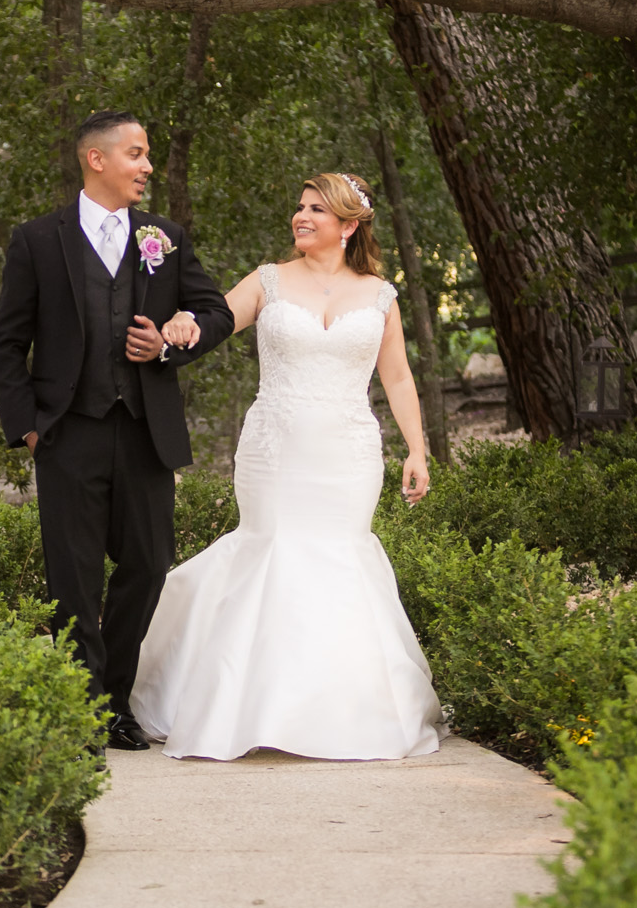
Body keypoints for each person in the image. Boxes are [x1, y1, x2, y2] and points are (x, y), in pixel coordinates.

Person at [130, 173, 444, 761]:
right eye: (299, 207)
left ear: (349, 226)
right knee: (271, 546)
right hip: (274, 447)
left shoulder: (380, 296)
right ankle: (244, 706)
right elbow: (213, 321)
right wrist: (177, 331)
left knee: (339, 555)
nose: (301, 217)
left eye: (316, 210)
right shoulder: (268, 281)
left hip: (348, 453)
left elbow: (397, 376)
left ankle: (340, 713)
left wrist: (417, 449)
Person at [0, 111, 235, 750]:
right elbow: (7, 344)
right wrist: (31, 429)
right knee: (72, 576)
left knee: (148, 564)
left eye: (147, 154)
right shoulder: (38, 240)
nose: (147, 166)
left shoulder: (165, 237)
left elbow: (215, 314)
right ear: (96, 160)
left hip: (145, 429)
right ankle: (86, 709)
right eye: (137, 154)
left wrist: (169, 344)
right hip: (68, 432)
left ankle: (116, 699)